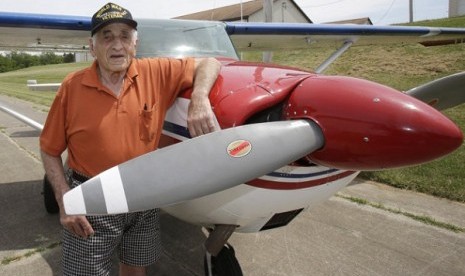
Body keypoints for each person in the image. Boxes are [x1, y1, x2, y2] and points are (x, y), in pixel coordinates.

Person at [39, 2, 221, 276]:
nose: (117, 45)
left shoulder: (156, 72)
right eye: (107, 36)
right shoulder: (71, 87)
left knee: (135, 268)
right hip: (92, 196)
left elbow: (210, 62)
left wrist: (199, 97)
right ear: (92, 47)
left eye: (125, 36)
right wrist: (65, 200)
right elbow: (48, 149)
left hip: (142, 195)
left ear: (135, 44)